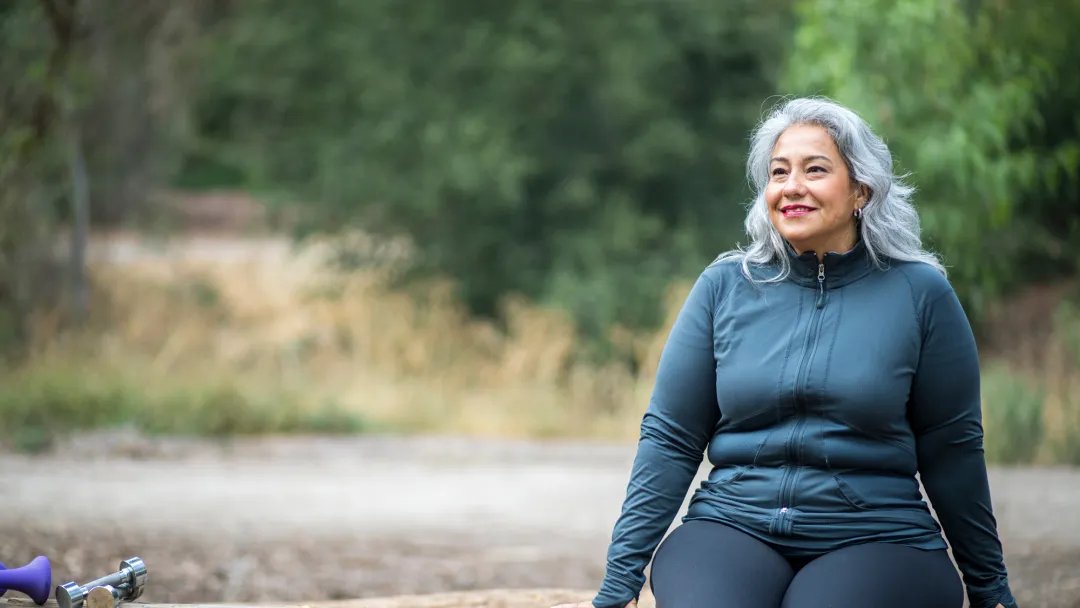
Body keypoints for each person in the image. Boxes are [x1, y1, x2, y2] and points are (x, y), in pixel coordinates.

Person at [551, 97, 1018, 608]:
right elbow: (670, 439)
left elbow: (952, 451)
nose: (792, 186)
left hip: (876, 536)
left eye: (815, 169)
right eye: (779, 172)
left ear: (861, 189)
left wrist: (989, 587)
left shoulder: (920, 294)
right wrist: (618, 585)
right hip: (732, 526)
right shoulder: (725, 286)